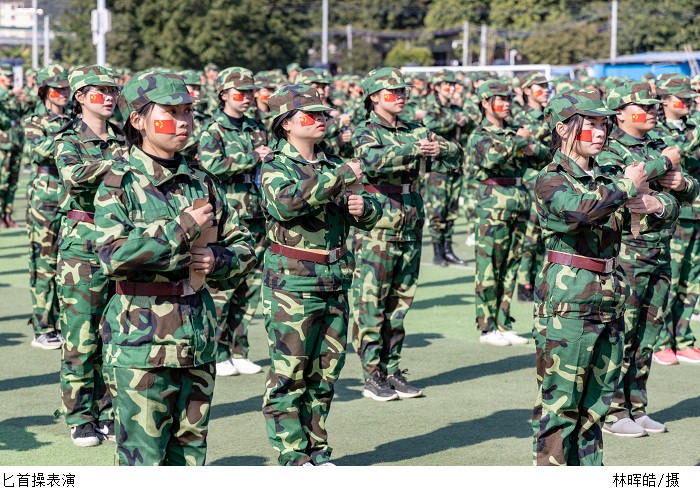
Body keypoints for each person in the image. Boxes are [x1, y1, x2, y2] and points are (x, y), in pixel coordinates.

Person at [94, 71, 256, 465]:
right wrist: (182, 228)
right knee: (144, 460)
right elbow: (113, 255)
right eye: (171, 112)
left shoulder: (202, 181)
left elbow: (245, 245)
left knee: (190, 456)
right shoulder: (118, 182)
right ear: (138, 120)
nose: (183, 122)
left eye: (187, 112)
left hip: (197, 335)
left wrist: (218, 259)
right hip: (141, 342)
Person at [260, 84, 380, 466]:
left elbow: (368, 210)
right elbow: (286, 204)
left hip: (334, 279)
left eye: (323, 114)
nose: (321, 119)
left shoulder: (331, 165)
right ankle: (292, 454)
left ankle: (317, 450)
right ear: (286, 123)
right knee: (290, 373)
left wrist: (364, 208)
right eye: (310, 115)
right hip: (292, 283)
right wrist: (342, 176)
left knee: (325, 373)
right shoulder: (275, 166)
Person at [531, 88, 649, 466]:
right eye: (591, 124)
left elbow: (662, 200)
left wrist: (655, 202)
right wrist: (627, 187)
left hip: (609, 297)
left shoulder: (607, 176)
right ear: (563, 129)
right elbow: (578, 212)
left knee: (595, 409)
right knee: (561, 408)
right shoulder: (551, 179)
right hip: (569, 301)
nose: (600, 132)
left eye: (604, 124)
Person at [351, 67, 459, 401]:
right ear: (374, 97)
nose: (400, 96)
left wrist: (440, 150)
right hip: (377, 225)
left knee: (400, 305)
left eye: (403, 91)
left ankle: (392, 369)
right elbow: (372, 161)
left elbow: (456, 154)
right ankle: (372, 374)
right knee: (371, 303)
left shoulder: (416, 129)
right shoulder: (366, 131)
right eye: (392, 92)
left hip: (410, 223)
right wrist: (415, 149)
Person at [598, 81, 696, 437]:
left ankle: (637, 407)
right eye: (643, 106)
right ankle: (612, 411)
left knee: (648, 334)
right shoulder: (608, 151)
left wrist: (679, 187)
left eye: (654, 105)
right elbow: (619, 196)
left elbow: (686, 194)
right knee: (621, 333)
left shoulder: (657, 145)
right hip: (626, 252)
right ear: (620, 113)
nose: (652, 110)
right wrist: (666, 164)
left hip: (659, 250)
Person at [53, 66, 128, 446]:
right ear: (80, 97)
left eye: (113, 90)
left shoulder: (123, 139)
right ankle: (81, 416)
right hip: (82, 246)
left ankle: (109, 410)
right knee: (81, 335)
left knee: (115, 333)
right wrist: (118, 164)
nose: (109, 97)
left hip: (120, 243)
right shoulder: (69, 140)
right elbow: (74, 176)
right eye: (100, 91)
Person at [199, 67, 272, 376]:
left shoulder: (257, 127)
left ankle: (239, 350)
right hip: (228, 219)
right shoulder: (213, 130)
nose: (247, 98)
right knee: (223, 289)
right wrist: (252, 157)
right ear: (224, 95)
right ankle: (217, 352)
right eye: (240, 93)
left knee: (250, 288)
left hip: (257, 217)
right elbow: (211, 165)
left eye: (250, 93)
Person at [465, 80, 544, 347]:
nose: (506, 103)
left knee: (511, 265)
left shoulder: (514, 132)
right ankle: (487, 327)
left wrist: (528, 146)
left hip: (518, 202)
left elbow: (542, 154)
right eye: (499, 99)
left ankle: (503, 322)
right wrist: (520, 141)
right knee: (489, 267)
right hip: (492, 205)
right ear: (485, 103)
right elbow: (491, 158)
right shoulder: (480, 135)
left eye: (508, 99)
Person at [648, 74, 700, 365]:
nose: (689, 102)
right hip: (674, 213)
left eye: (691, 97)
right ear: (665, 100)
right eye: (683, 98)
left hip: (697, 211)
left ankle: (683, 339)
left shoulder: (693, 124)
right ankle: (662, 341)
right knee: (671, 277)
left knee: (692, 281)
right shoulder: (657, 129)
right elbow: (678, 152)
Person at [23, 65, 71, 350]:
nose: (64, 93)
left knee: (67, 264)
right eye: (57, 89)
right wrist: (68, 133)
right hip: (44, 199)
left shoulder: (75, 118)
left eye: (66, 88)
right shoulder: (35, 121)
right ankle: (43, 327)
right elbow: (40, 150)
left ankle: (63, 322)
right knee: (44, 264)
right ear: (44, 92)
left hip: (69, 197)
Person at [423, 69, 470, 266]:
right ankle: (437, 251)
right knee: (437, 210)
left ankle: (448, 249)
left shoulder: (456, 108)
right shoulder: (430, 107)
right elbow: (430, 124)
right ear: (436, 87)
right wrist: (453, 120)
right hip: (436, 167)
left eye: (452, 85)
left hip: (454, 166)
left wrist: (465, 120)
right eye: (446, 85)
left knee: (451, 210)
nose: (450, 89)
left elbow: (469, 126)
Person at [514, 72, 551, 302]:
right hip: (529, 181)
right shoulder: (520, 116)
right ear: (527, 91)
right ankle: (524, 282)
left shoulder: (549, 115)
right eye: (540, 86)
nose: (545, 90)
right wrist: (539, 148)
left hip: (548, 180)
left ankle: (537, 279)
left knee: (542, 235)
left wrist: (536, 147)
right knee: (529, 235)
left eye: (547, 86)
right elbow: (524, 147)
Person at [0, 62, 27, 228]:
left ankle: (8, 215)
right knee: (1, 182)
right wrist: (10, 93)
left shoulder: (13, 95)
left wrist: (24, 99)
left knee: (13, 183)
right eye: (6, 76)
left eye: (11, 76)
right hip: (2, 145)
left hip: (16, 142)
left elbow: (23, 110)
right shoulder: (4, 94)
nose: (9, 79)